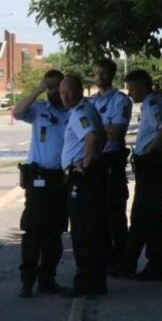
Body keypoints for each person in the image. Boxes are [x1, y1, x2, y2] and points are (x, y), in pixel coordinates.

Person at [112, 69, 162, 281]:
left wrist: (151, 150)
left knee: (148, 216)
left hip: (152, 166)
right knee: (146, 216)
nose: (130, 93)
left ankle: (152, 265)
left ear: (141, 87)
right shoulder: (152, 104)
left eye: (131, 89)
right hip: (150, 167)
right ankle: (131, 263)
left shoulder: (152, 104)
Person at [12, 70, 69, 297]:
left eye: (58, 87)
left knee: (54, 234)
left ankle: (48, 279)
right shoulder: (39, 111)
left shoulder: (72, 112)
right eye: (51, 88)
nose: (55, 92)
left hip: (61, 180)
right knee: (33, 232)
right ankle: (27, 281)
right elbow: (17, 112)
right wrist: (39, 88)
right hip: (38, 180)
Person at [60, 74, 109, 297]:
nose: (65, 96)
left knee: (83, 233)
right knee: (92, 230)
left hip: (83, 180)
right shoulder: (84, 110)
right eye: (62, 93)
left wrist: (86, 167)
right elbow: (101, 137)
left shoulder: (81, 112)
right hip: (91, 177)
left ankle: (86, 284)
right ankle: (95, 282)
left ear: (80, 90)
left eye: (69, 91)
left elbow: (91, 138)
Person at [88, 58, 133, 261]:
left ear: (112, 74)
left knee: (115, 212)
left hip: (111, 161)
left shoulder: (120, 100)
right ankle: (104, 257)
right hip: (94, 161)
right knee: (96, 214)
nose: (99, 77)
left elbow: (116, 132)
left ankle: (121, 258)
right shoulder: (90, 101)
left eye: (103, 73)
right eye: (96, 73)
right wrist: (102, 130)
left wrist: (93, 132)